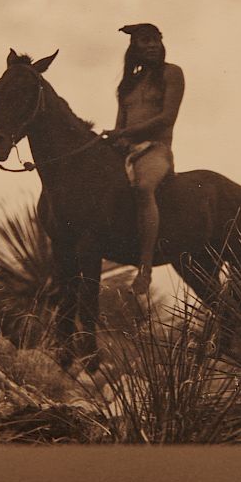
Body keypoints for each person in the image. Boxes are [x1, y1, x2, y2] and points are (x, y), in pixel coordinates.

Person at [102, 23, 185, 296]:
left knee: (143, 187)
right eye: (145, 41)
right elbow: (119, 124)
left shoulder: (172, 74)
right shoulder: (127, 85)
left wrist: (124, 133)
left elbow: (166, 118)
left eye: (156, 40)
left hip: (156, 149)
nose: (151, 45)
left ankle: (145, 268)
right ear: (134, 48)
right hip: (128, 150)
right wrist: (116, 139)